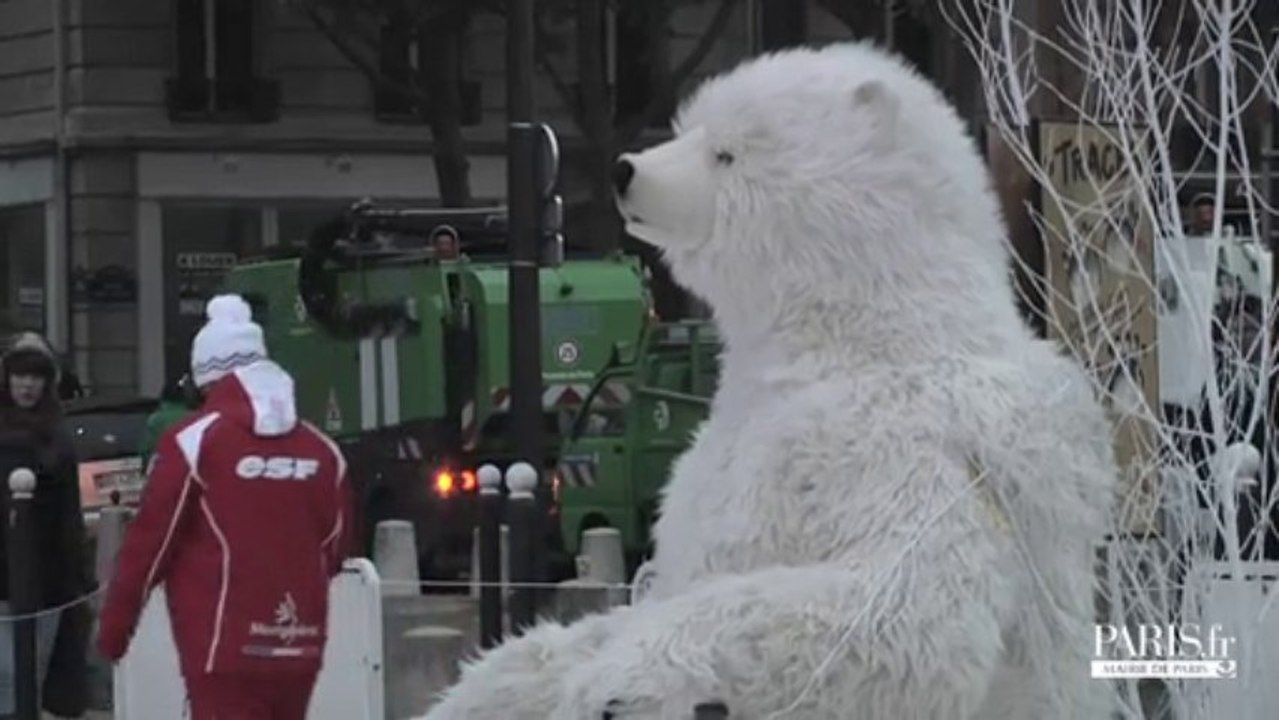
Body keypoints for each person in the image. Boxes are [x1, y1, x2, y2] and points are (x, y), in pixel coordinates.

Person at [97, 295, 353, 719]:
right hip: (299, 645)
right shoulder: (323, 451)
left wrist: (112, 635)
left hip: (222, 648)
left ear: (206, 378)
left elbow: (149, 547)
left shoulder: (196, 442)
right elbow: (335, 547)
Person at [0, 332, 91, 718]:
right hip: (3, 574)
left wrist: (78, 573)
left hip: (50, 576)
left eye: (35, 377)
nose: (26, 385)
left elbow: (69, 510)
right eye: (20, 376)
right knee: (5, 674)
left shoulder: (59, 438)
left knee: (33, 672)